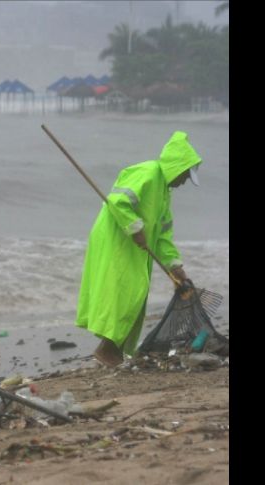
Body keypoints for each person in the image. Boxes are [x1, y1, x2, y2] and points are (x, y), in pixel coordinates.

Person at [76, 131, 202, 367]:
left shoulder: (164, 192)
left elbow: (163, 236)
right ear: (176, 167)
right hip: (117, 239)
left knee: (136, 293)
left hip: (135, 245)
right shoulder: (148, 172)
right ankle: (107, 350)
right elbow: (119, 200)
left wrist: (176, 267)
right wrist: (135, 228)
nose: (184, 180)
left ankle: (112, 351)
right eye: (185, 174)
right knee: (128, 292)